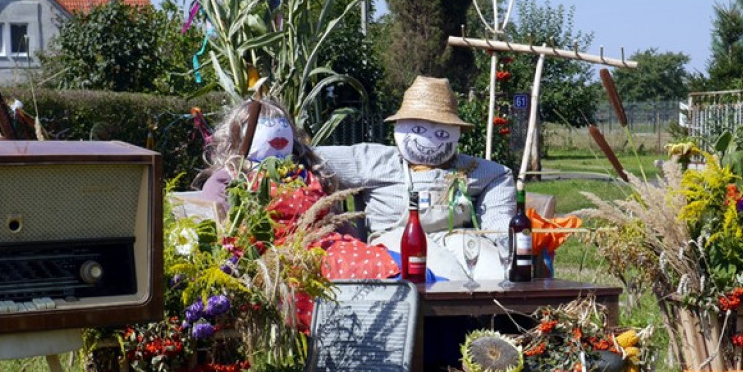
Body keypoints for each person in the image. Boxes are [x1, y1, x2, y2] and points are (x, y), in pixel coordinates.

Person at [314, 76, 516, 281]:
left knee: (498, 273)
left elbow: (499, 185)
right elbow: (312, 157)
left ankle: (497, 310)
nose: (429, 139)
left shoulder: (473, 169)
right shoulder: (376, 160)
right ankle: (457, 311)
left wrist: (502, 234)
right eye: (419, 130)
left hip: (455, 237)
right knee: (444, 277)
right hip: (395, 240)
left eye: (441, 132)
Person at [196, 97, 399, 283]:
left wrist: (355, 245)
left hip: (331, 251)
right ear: (239, 135)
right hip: (280, 262)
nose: (277, 132)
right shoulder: (230, 179)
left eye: (283, 124)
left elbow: (335, 222)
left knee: (402, 266)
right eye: (264, 124)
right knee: (387, 270)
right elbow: (221, 235)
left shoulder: (304, 174)